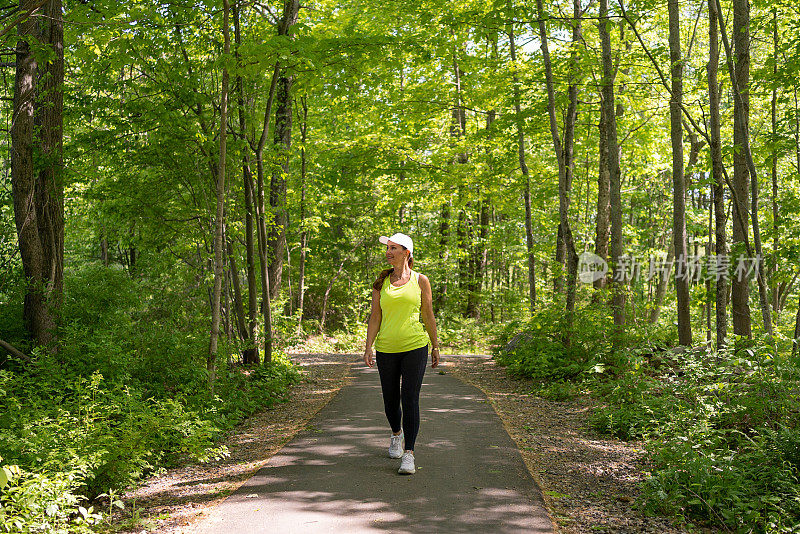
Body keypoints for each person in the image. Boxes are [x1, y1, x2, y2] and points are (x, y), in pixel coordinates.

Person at [363, 232, 441, 475]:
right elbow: (375, 316)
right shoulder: (380, 283)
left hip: (415, 346)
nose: (388, 252)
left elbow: (428, 314)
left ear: (407, 253)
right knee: (389, 400)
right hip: (386, 348)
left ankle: (409, 454)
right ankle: (396, 434)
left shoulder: (420, 280)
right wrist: (368, 346)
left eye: (393, 248)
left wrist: (435, 345)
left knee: (410, 398)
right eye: (387, 248)